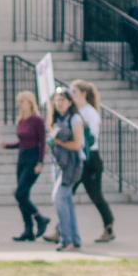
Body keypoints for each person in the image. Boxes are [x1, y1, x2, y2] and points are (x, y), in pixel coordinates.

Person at [69, 81, 116, 244]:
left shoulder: (90, 113)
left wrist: (77, 139)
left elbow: (91, 137)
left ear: (83, 94)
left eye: (73, 92)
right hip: (78, 158)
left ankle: (108, 225)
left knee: (95, 195)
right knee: (66, 193)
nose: (71, 94)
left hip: (90, 159)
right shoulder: (76, 112)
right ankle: (60, 229)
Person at [5, 91, 50, 243]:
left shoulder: (37, 120)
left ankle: (40, 218)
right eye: (18, 101)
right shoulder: (21, 120)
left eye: (22, 101)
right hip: (22, 159)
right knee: (23, 196)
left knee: (19, 193)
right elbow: (22, 142)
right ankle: (28, 229)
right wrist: (8, 146)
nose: (19, 104)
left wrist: (40, 162)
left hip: (33, 159)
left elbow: (42, 142)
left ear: (30, 102)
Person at [46, 87, 84, 252]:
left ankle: (66, 239)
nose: (59, 103)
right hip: (60, 164)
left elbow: (77, 144)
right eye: (57, 100)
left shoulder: (75, 119)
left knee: (59, 198)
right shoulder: (58, 119)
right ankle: (74, 239)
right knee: (66, 201)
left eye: (63, 100)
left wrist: (59, 143)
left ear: (70, 102)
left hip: (72, 164)